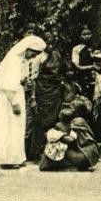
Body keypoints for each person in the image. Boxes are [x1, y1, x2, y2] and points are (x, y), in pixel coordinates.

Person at [0, 35, 46, 168]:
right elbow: (7, 84)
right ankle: (8, 160)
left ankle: (17, 158)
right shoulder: (13, 60)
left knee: (17, 127)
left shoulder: (22, 61)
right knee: (9, 127)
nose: (34, 57)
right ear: (26, 49)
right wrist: (14, 102)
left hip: (16, 94)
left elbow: (20, 79)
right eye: (33, 53)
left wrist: (24, 82)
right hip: (9, 99)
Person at [27, 31, 65, 162]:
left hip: (54, 92)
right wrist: (33, 97)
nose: (50, 46)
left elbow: (60, 73)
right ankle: (36, 153)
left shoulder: (57, 55)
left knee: (52, 122)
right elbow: (34, 78)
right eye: (47, 43)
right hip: (42, 92)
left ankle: (50, 153)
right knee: (40, 123)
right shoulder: (39, 57)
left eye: (52, 43)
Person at [39, 106, 100, 171]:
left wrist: (58, 136)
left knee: (54, 149)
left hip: (82, 156)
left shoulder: (74, 123)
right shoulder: (82, 122)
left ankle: (67, 167)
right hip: (91, 157)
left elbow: (70, 140)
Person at [71, 25, 97, 97]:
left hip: (94, 77)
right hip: (81, 77)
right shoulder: (76, 49)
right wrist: (91, 67)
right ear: (80, 36)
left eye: (89, 34)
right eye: (84, 34)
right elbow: (77, 66)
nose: (87, 36)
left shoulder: (95, 47)